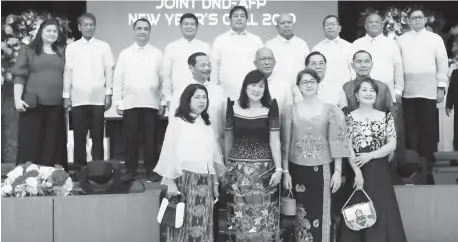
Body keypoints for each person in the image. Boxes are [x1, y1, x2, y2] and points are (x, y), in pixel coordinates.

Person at [281, 68, 348, 242]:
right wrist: (286, 172)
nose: (309, 85)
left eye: (312, 81)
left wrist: (338, 172)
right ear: (298, 87)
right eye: (304, 82)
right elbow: (285, 144)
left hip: (322, 170)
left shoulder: (331, 110)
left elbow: (337, 142)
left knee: (323, 213)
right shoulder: (289, 111)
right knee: (300, 215)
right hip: (297, 171)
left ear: (318, 84)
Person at [154, 84, 225, 242]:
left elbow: (211, 156)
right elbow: (169, 152)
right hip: (184, 181)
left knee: (203, 223)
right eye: (197, 97)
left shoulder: (206, 124)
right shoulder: (178, 122)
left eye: (204, 97)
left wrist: (215, 183)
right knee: (183, 225)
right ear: (187, 100)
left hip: (204, 183)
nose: (202, 101)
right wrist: (170, 181)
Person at [338, 79, 406, 242]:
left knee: (383, 207)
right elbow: (348, 147)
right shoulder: (348, 117)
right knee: (358, 209)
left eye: (372, 91)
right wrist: (357, 173)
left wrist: (371, 155)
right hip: (357, 169)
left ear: (376, 95)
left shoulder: (385, 116)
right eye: (364, 90)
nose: (368, 93)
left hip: (380, 169)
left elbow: (392, 144)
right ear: (356, 95)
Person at [224, 70, 282, 241]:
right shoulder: (232, 107)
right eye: (253, 85)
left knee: (263, 215)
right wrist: (226, 167)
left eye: (261, 86)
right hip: (237, 172)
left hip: (264, 172)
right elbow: (227, 140)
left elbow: (275, 141)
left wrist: (279, 169)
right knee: (238, 215)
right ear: (245, 87)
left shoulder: (271, 109)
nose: (257, 89)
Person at [113, 18, 164, 182]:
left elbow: (163, 80)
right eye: (139, 28)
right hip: (130, 103)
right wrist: (118, 102)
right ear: (134, 31)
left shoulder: (157, 53)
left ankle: (152, 170)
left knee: (151, 139)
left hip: (151, 103)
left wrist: (163, 102)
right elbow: (118, 80)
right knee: (130, 139)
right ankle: (130, 170)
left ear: (150, 32)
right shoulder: (125, 54)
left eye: (146, 29)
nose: (142, 32)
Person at [397, 7, 449, 169]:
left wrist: (441, 87)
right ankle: (412, 160)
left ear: (425, 20)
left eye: (420, 18)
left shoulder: (435, 39)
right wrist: (398, 89)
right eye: (413, 18)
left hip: (429, 90)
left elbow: (442, 63)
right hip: (408, 90)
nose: (417, 20)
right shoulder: (401, 40)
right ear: (408, 21)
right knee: (410, 125)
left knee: (428, 125)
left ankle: (429, 160)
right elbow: (397, 65)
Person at [12, 20, 68, 169]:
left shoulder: (63, 51)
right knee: (31, 142)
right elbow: (19, 75)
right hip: (32, 104)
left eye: (55, 31)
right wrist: (17, 99)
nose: (52, 34)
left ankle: (52, 178)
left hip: (56, 105)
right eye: (48, 30)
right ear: (41, 32)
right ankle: (28, 178)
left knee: (53, 143)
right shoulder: (28, 50)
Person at [63, 13, 114, 170]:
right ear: (79, 27)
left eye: (92, 24)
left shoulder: (104, 46)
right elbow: (68, 72)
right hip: (78, 98)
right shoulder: (71, 47)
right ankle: (80, 169)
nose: (89, 27)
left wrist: (108, 93)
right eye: (86, 25)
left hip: (98, 98)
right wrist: (66, 95)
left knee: (98, 135)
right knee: (79, 135)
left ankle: (98, 168)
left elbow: (109, 70)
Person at [169, 52, 226, 149]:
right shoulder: (182, 90)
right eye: (203, 65)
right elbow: (173, 119)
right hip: (190, 147)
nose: (207, 68)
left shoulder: (218, 90)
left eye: (209, 65)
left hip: (215, 146)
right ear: (191, 68)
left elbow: (224, 119)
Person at [211, 5, 264, 100]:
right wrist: (214, 90)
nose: (239, 18)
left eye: (242, 16)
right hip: (225, 93)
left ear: (246, 20)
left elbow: (262, 66)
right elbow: (214, 68)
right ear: (230, 19)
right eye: (236, 16)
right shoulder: (220, 40)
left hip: (251, 94)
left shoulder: (256, 40)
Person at [162, 13, 210, 108]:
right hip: (177, 97)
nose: (189, 26)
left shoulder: (205, 47)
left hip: (200, 99)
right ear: (180, 26)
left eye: (192, 24)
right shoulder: (171, 47)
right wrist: (167, 98)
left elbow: (209, 74)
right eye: (186, 24)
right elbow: (166, 75)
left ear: (197, 27)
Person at [312, 15, 355, 105]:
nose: (330, 27)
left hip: (343, 94)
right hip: (322, 95)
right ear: (323, 28)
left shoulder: (349, 47)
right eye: (327, 24)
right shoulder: (316, 48)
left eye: (332, 24)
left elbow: (353, 72)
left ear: (339, 28)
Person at [265, 13, 310, 86]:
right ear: (276, 27)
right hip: (276, 89)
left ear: (293, 25)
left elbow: (308, 68)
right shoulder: (269, 45)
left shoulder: (302, 44)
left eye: (289, 22)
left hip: (299, 88)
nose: (286, 25)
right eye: (282, 23)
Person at [253, 47, 293, 115]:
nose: (267, 63)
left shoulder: (285, 87)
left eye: (270, 59)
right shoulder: (247, 85)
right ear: (255, 63)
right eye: (263, 59)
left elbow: (287, 117)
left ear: (274, 62)